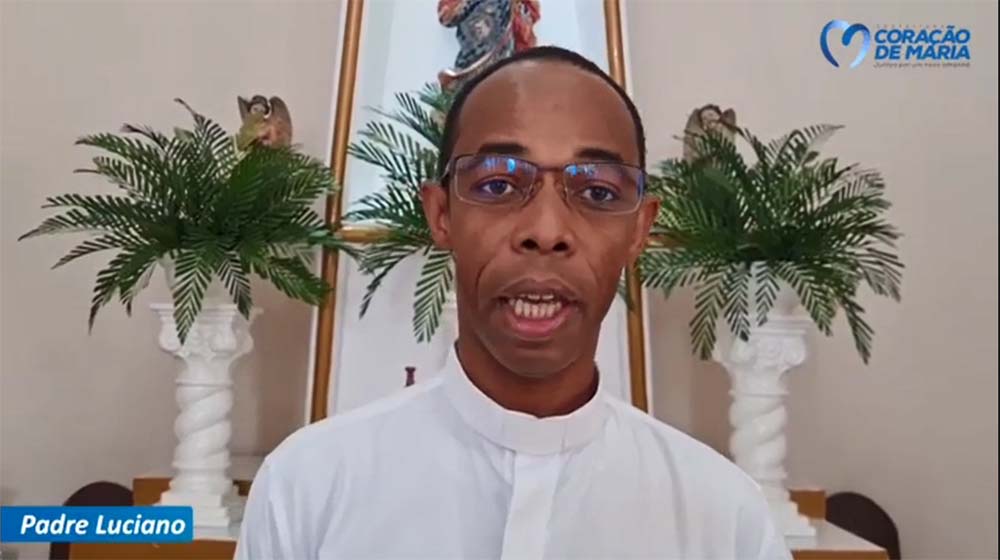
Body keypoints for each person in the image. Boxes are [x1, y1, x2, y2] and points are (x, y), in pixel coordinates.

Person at [235, 46, 791, 559]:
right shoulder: (308, 488)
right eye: (498, 185)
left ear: (639, 229)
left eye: (597, 192)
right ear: (441, 214)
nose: (546, 231)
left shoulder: (727, 520)